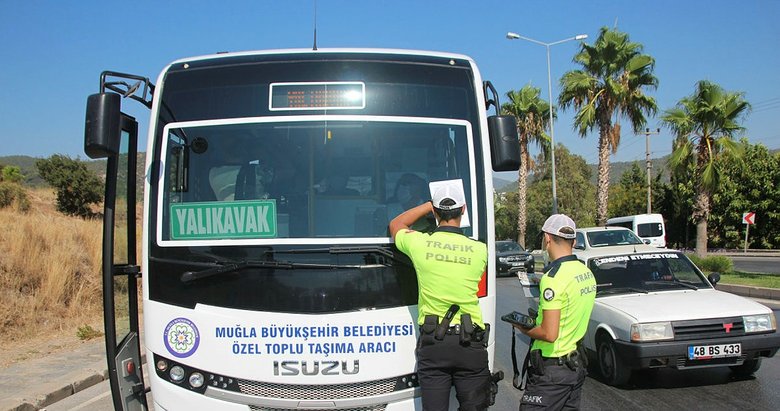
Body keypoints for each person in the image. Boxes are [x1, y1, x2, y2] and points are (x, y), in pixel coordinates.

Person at [389, 184, 491, 411]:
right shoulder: (480, 250)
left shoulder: (419, 244)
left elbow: (396, 225)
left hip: (434, 344)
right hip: (470, 345)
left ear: (435, 212)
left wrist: (428, 205)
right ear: (463, 210)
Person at [514, 214, 596, 410]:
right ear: (574, 241)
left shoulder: (553, 278)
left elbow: (549, 334)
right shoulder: (585, 273)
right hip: (574, 367)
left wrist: (523, 327)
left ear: (547, 238)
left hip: (551, 371)